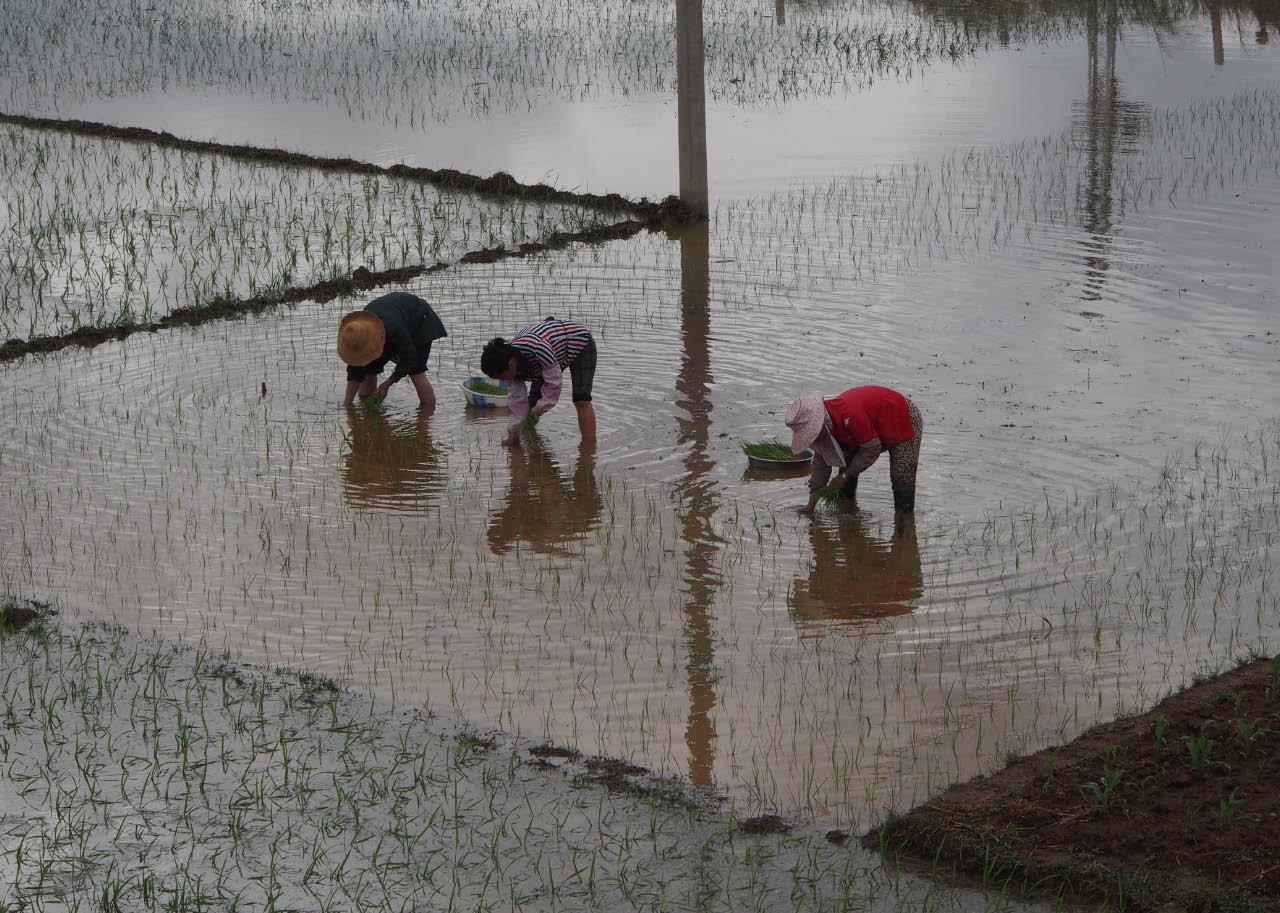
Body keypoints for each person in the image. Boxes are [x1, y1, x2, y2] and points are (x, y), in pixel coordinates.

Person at [785, 385, 923, 516]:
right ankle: (848, 517)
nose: (812, 437)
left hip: (901, 414)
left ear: (819, 423)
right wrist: (810, 507)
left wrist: (845, 476)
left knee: (902, 475)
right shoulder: (823, 432)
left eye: (811, 433)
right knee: (845, 466)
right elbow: (820, 467)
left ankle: (904, 525)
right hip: (868, 428)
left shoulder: (849, 414)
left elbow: (872, 449)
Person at [480, 318, 597, 445]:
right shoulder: (509, 365)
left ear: (511, 364)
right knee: (532, 403)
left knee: (581, 399)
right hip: (550, 354)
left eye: (502, 377)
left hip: (579, 343)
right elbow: (517, 402)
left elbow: (554, 385)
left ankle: (588, 449)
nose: (503, 381)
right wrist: (513, 434)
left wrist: (537, 411)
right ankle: (531, 442)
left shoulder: (538, 348)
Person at [337, 292, 447, 406]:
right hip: (392, 316)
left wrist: (387, 384)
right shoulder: (358, 334)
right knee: (369, 368)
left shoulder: (393, 330)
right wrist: (347, 404)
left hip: (420, 321)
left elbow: (409, 359)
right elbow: (355, 370)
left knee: (416, 372)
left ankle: (427, 414)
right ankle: (367, 407)